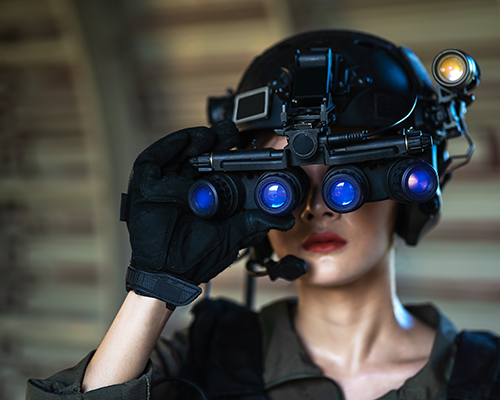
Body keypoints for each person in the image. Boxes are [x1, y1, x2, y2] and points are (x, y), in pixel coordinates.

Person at [26, 30, 497, 400]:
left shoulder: (486, 373)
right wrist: (154, 286)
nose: (317, 205)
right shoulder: (206, 354)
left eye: (347, 174)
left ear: (410, 187)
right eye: (283, 177)